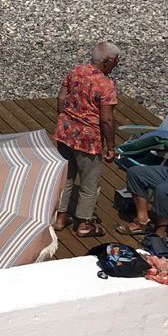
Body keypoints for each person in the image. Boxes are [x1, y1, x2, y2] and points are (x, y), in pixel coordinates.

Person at [53, 42, 121, 237]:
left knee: (66, 177)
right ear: (107, 61)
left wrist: (64, 119)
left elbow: (61, 98)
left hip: (65, 132)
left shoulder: (76, 71)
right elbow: (107, 120)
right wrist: (111, 146)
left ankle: (60, 218)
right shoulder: (105, 85)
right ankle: (83, 224)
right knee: (90, 183)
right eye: (116, 61)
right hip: (88, 139)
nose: (116, 65)